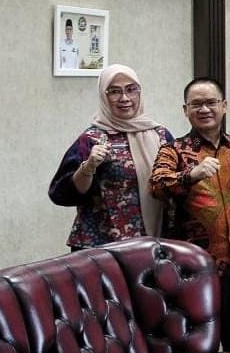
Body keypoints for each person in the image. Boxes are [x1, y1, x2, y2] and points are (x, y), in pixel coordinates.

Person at [149, 77, 230, 352]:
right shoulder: (174, 150)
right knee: (198, 340)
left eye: (211, 102)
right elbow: (157, 185)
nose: (204, 109)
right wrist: (190, 175)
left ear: (224, 106)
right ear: (185, 110)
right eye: (196, 104)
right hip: (193, 266)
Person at [50, 64, 173, 250]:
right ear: (103, 96)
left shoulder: (161, 135)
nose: (124, 98)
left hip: (153, 245)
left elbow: (175, 183)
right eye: (114, 91)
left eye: (131, 90)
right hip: (102, 247)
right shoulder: (91, 139)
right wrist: (88, 166)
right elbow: (61, 193)